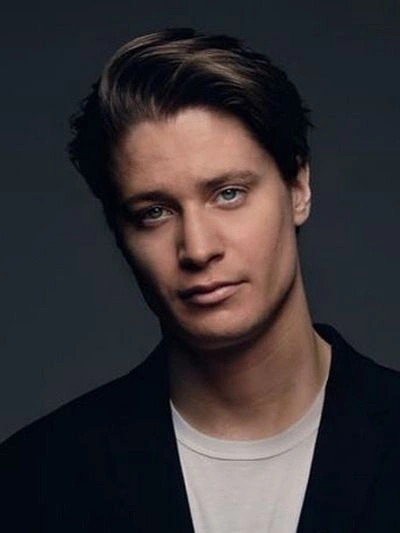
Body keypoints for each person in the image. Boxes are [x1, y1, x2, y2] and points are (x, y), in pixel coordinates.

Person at [1, 28, 400, 533]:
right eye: (154, 212)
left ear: (298, 186)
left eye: (228, 193)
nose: (197, 248)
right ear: (119, 232)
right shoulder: (33, 480)